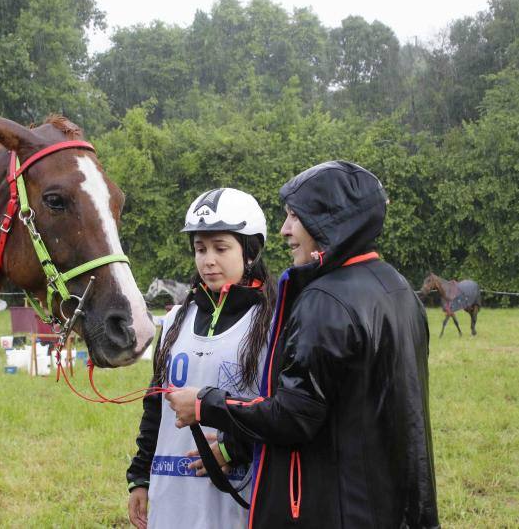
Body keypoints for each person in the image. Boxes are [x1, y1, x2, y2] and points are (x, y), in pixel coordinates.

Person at [167, 161, 440, 528]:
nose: (284, 230)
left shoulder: (324, 300)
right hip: (389, 503)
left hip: (336, 507)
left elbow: (294, 416)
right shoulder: (398, 288)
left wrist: (206, 404)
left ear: (330, 219)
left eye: (295, 216)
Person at [126, 188, 276, 529]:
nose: (208, 260)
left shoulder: (273, 322)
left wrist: (232, 448)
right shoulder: (175, 319)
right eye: (200, 248)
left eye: (221, 248)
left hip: (235, 497)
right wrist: (141, 477)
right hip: (172, 497)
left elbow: (285, 411)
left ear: (250, 251)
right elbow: (156, 406)